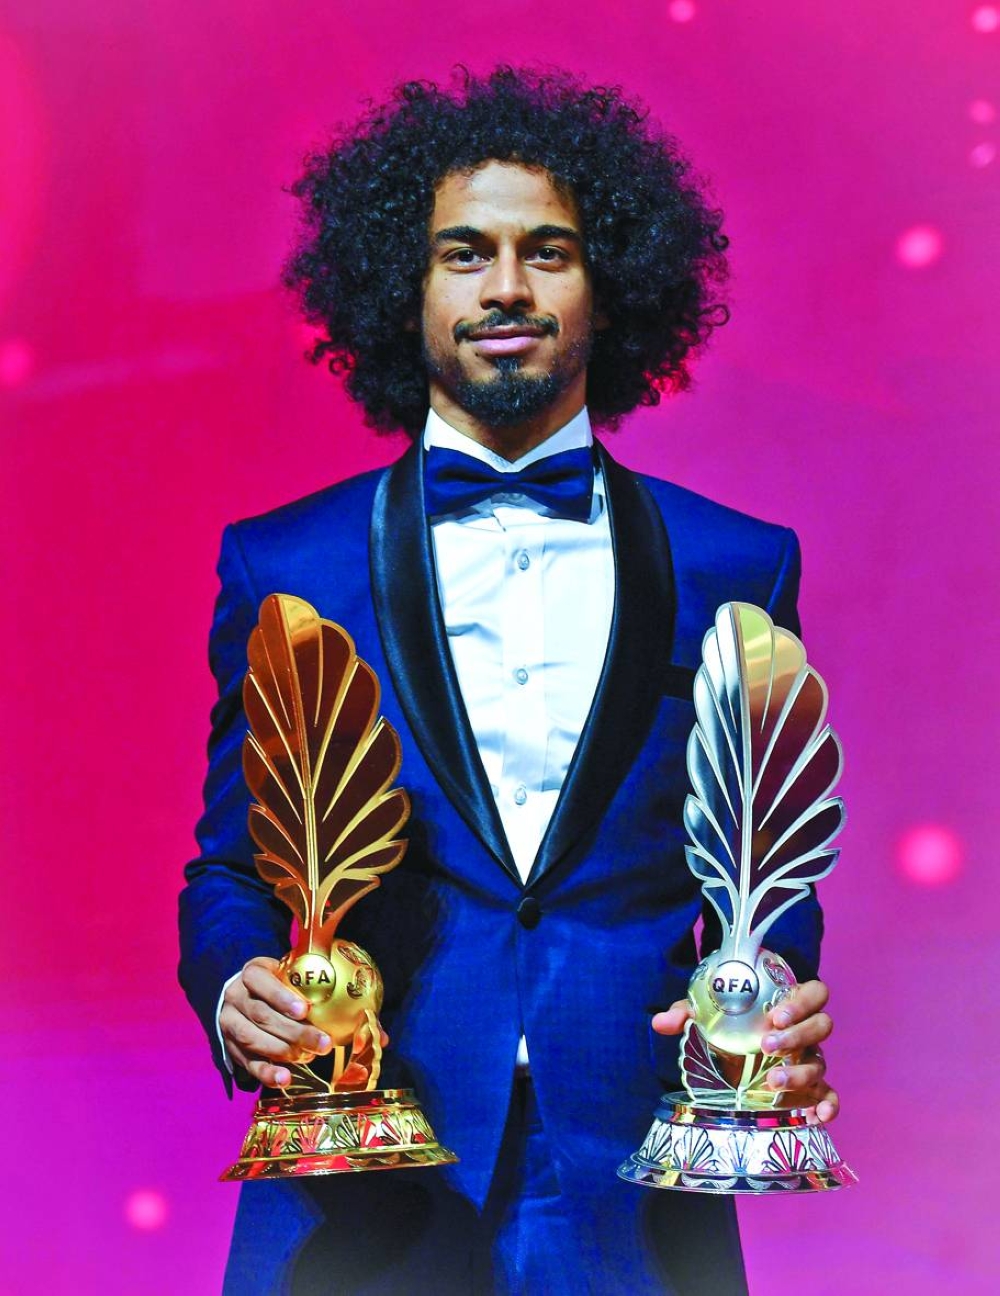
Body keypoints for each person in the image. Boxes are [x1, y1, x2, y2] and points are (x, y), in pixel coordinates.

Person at [179, 67, 838, 1295]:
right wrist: (236, 993)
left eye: (549, 253)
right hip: (363, 1170)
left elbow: (759, 864)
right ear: (403, 286)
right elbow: (229, 866)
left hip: (635, 1182)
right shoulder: (287, 564)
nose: (507, 289)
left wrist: (779, 991)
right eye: (463, 254)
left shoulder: (736, 561)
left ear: (612, 287)